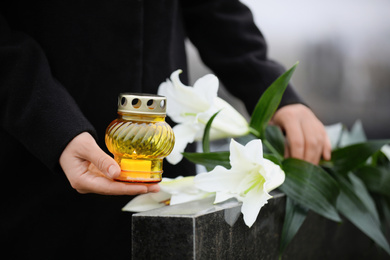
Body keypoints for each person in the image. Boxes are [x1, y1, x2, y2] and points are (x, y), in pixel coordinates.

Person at [0, 0, 331, 258]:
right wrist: (53, 125)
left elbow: (212, 7)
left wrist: (274, 92)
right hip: (35, 167)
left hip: (166, 179)